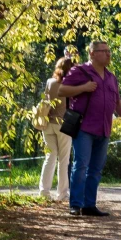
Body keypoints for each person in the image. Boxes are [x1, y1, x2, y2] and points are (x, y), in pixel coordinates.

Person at [57, 41, 121, 217]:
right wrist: (83, 88)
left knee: (96, 169)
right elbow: (61, 90)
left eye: (109, 50)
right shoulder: (80, 71)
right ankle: (75, 204)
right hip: (84, 127)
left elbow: (117, 101)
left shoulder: (111, 77)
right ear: (92, 53)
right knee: (81, 166)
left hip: (104, 129)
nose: (108, 54)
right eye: (103, 51)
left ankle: (89, 205)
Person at [38, 58, 74, 201]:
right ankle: (62, 194)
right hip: (64, 124)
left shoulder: (49, 82)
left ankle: (44, 192)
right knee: (64, 160)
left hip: (47, 123)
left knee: (50, 157)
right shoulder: (70, 85)